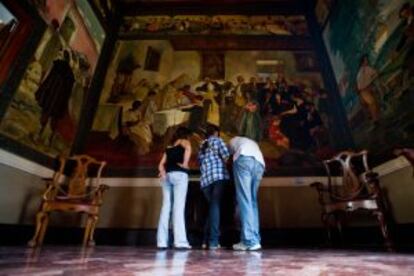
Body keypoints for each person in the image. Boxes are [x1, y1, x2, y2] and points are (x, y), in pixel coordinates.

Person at [157, 127, 192, 249]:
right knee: (178, 207)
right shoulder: (184, 142)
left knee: (165, 207)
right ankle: (180, 242)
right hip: (179, 175)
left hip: (167, 177)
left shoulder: (169, 147)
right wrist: (185, 164)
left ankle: (161, 242)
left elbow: (161, 164)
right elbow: (188, 148)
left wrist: (162, 173)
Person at [228, 136, 265, 251]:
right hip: (260, 163)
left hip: (244, 159)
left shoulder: (231, 141)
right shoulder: (251, 142)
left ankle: (248, 241)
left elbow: (227, 157)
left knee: (244, 200)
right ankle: (255, 239)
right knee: (252, 201)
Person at [198, 124, 230, 249]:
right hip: (218, 177)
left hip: (205, 181)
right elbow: (227, 157)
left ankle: (205, 240)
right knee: (215, 207)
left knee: (212, 208)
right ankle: (213, 242)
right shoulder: (218, 141)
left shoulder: (202, 145)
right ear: (216, 132)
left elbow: (200, 162)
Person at [356, 55, 380, 123]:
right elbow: (360, 87)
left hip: (369, 88)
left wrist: (375, 75)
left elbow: (375, 73)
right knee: (372, 102)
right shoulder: (360, 73)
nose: (367, 61)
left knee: (374, 102)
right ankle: (375, 119)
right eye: (365, 60)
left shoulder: (368, 68)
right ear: (362, 62)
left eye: (367, 60)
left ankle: (376, 117)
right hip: (363, 91)